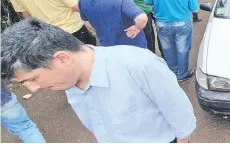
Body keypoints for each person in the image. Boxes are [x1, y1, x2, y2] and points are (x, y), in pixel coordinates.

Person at [1, 18, 197, 143]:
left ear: (62, 58)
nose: (33, 89)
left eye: (33, 78)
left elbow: (182, 120)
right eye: (23, 84)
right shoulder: (68, 79)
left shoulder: (140, 66)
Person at [144, 0, 199, 81]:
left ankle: (172, 71)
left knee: (167, 48)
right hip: (182, 23)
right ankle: (182, 74)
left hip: (161, 23)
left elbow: (148, 1)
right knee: (182, 49)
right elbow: (195, 9)